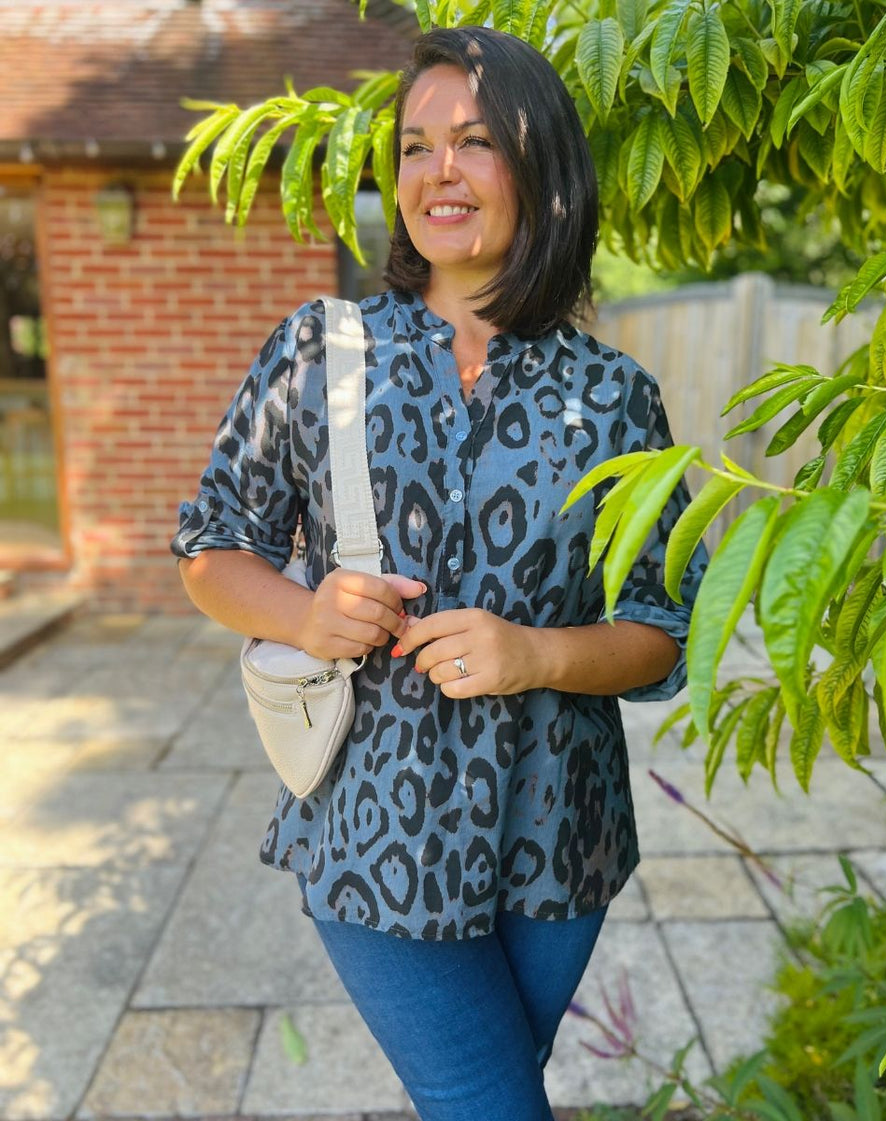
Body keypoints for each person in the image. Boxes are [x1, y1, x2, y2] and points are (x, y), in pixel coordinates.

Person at [172, 25, 705, 1121]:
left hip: (560, 835)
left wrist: (538, 651)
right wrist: (306, 612)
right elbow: (210, 547)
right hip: (375, 827)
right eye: (415, 147)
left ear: (541, 168)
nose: (437, 172)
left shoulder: (615, 397)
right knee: (486, 1101)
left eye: (473, 140)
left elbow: (663, 627)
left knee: (484, 1091)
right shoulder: (317, 353)